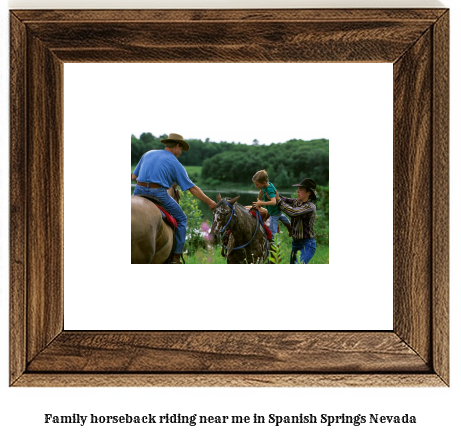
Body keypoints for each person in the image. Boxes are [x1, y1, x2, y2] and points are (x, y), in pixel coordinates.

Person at [132, 133, 217, 264]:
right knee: (182, 218)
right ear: (177, 146)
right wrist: (210, 202)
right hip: (158, 193)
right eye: (181, 149)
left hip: (138, 190)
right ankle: (176, 258)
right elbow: (192, 188)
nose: (181, 153)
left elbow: (134, 177)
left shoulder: (147, 154)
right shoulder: (175, 162)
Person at [275, 178, 317, 264]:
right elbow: (284, 200)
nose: (297, 191)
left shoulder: (310, 207)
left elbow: (293, 212)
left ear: (308, 193)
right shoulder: (296, 202)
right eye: (298, 189)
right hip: (295, 244)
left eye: (301, 190)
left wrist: (278, 201)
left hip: (307, 244)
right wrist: (273, 193)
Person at [251, 169, 292, 238]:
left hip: (274, 212)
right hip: (275, 210)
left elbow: (273, 202)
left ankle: (274, 245)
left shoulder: (269, 189)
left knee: (273, 231)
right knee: (281, 216)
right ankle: (290, 227)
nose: (256, 186)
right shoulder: (265, 186)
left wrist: (261, 203)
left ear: (263, 182)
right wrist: (259, 200)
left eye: (257, 184)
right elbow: (261, 192)